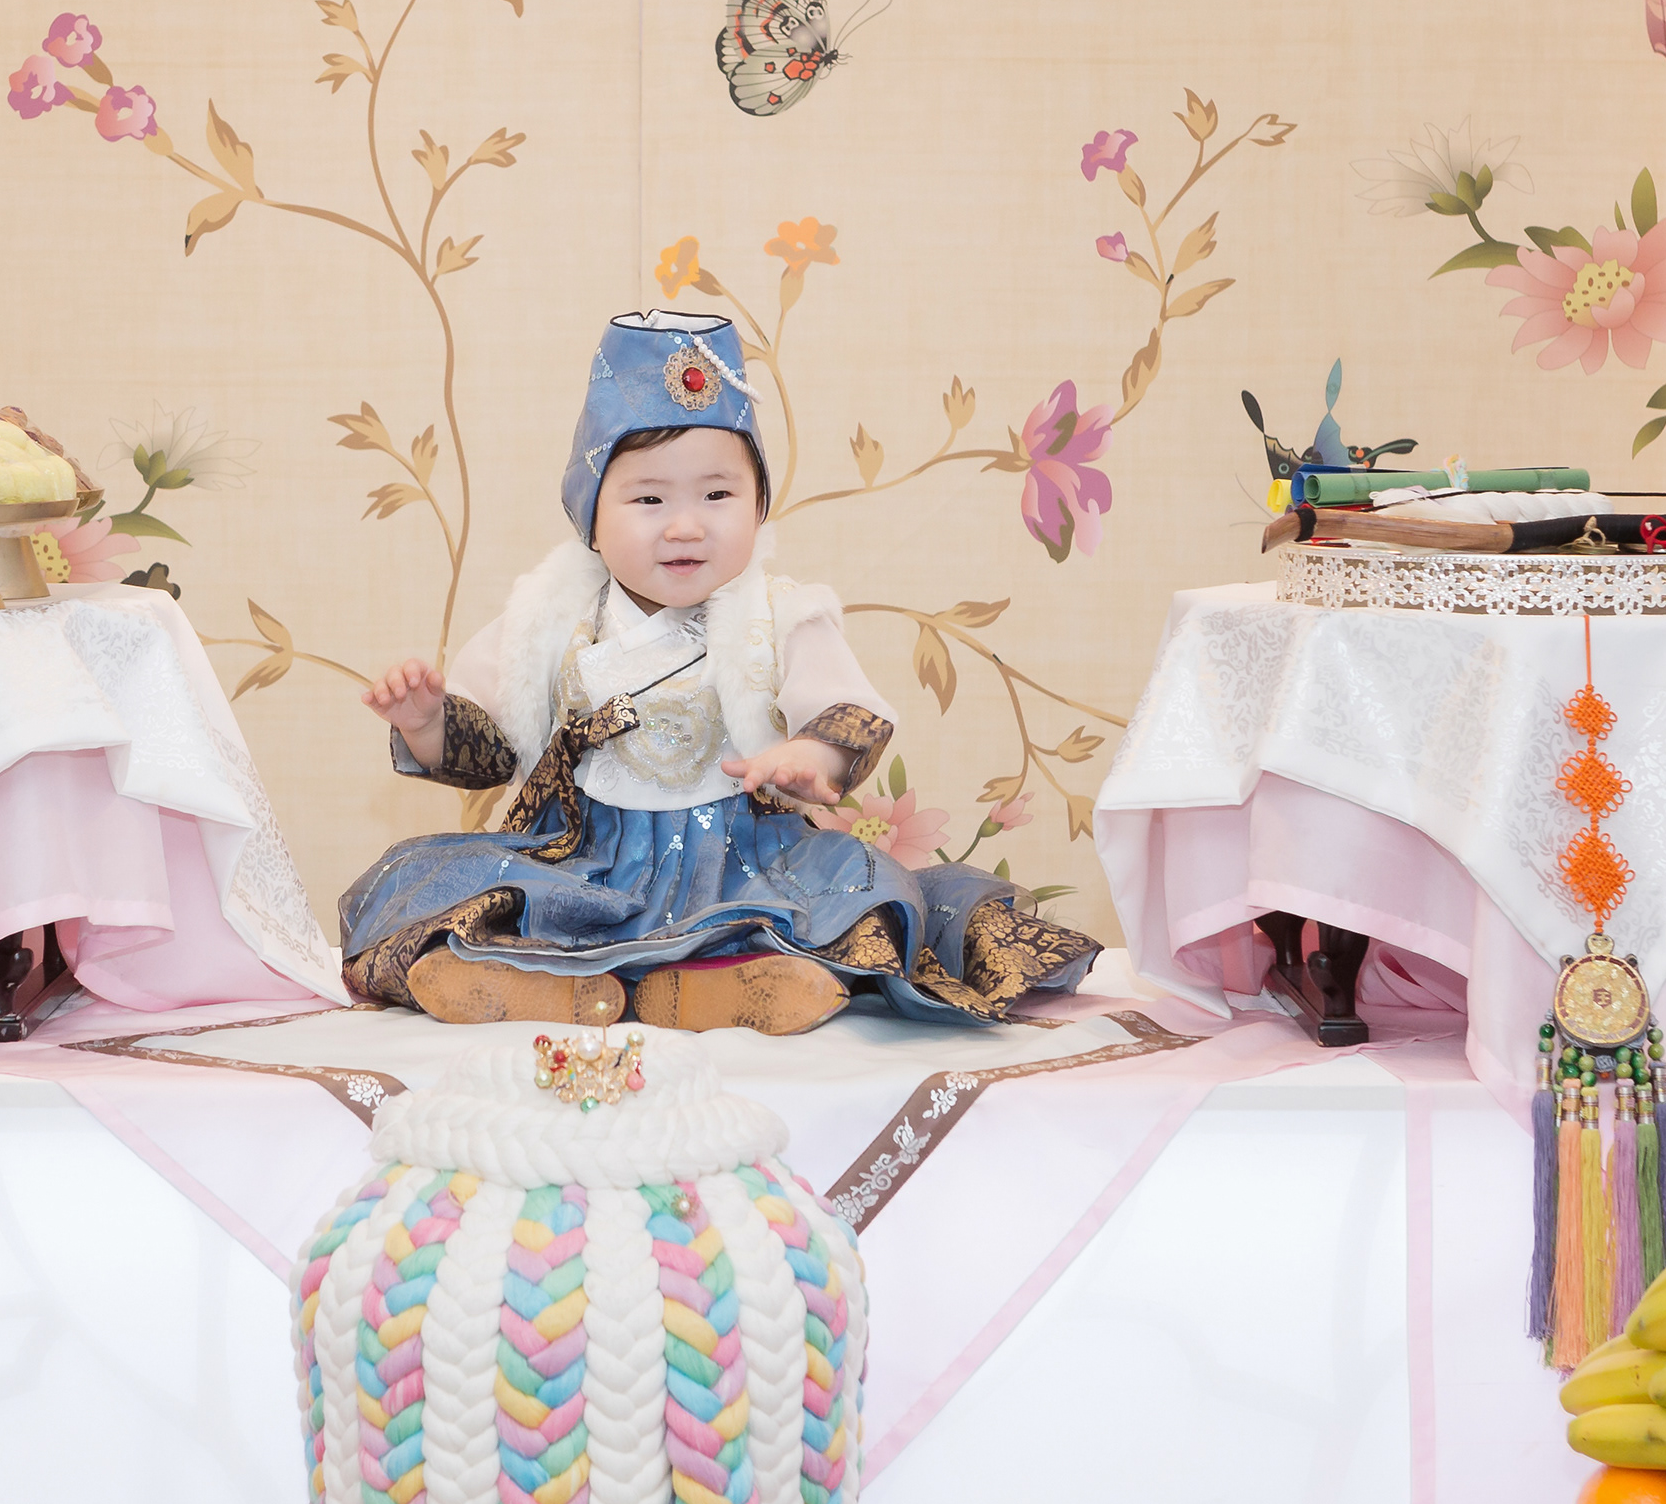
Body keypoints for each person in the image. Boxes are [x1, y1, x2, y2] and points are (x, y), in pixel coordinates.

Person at [337, 309, 1100, 1034]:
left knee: (850, 908)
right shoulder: (547, 616)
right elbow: (494, 751)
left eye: (717, 493)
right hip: (584, 860)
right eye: (648, 497)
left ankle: (711, 988)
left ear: (759, 503)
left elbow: (849, 713)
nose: (685, 524)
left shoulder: (779, 614)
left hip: (737, 857)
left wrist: (809, 754)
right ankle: (550, 987)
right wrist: (428, 721)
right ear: (591, 515)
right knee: (436, 895)